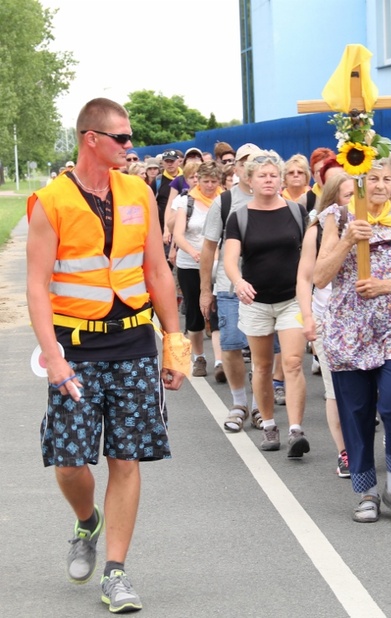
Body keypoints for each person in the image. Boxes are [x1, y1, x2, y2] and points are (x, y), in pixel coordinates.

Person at [26, 97, 189, 613]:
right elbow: (35, 288)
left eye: (130, 137)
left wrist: (175, 341)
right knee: (71, 460)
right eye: (121, 137)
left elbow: (158, 271)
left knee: (126, 456)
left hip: (133, 343)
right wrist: (52, 356)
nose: (130, 146)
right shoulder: (51, 201)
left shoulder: (139, 191)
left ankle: (116, 572)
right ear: (90, 138)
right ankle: (86, 520)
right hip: (75, 346)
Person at [313, 154, 391, 524]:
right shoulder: (337, 217)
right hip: (348, 328)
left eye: (385, 179)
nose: (378, 186)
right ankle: (366, 491)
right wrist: (348, 239)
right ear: (357, 182)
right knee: (357, 412)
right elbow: (320, 276)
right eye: (371, 178)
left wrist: (388, 286)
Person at [223, 150, 310, 457]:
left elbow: (309, 251)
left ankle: (296, 430)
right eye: (262, 175)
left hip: (292, 300)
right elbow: (230, 258)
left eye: (274, 175)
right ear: (250, 180)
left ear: (281, 178)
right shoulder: (240, 216)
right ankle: (270, 424)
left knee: (293, 363)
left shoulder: (296, 212)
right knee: (261, 366)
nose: (269, 180)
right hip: (256, 301)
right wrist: (239, 282)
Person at [200, 144, 263, 432]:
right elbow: (209, 248)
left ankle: (261, 406)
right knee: (232, 345)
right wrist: (204, 289)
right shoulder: (224, 203)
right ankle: (239, 403)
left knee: (267, 352)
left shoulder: (279, 200)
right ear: (236, 169)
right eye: (245, 162)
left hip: (268, 287)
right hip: (229, 287)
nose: (251, 167)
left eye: (257, 161)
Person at [296, 172, 355, 477]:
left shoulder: (373, 225)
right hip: (327, 319)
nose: (353, 202)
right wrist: (307, 317)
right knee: (335, 389)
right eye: (347, 196)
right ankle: (344, 452)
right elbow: (305, 279)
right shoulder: (317, 231)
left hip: (362, 318)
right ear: (332, 201)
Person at [173, 161, 223, 377]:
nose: (210, 185)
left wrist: (219, 255)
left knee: (218, 312)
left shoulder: (224, 200)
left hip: (218, 264)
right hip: (190, 264)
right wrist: (194, 253)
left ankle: (220, 361)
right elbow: (178, 235)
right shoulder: (186, 201)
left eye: (214, 181)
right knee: (194, 312)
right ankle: (199, 357)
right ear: (197, 180)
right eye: (205, 181)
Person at [298, 147, 336, 212]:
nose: (323, 174)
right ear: (313, 176)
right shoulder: (306, 200)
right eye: (319, 171)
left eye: (327, 169)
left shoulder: (347, 195)